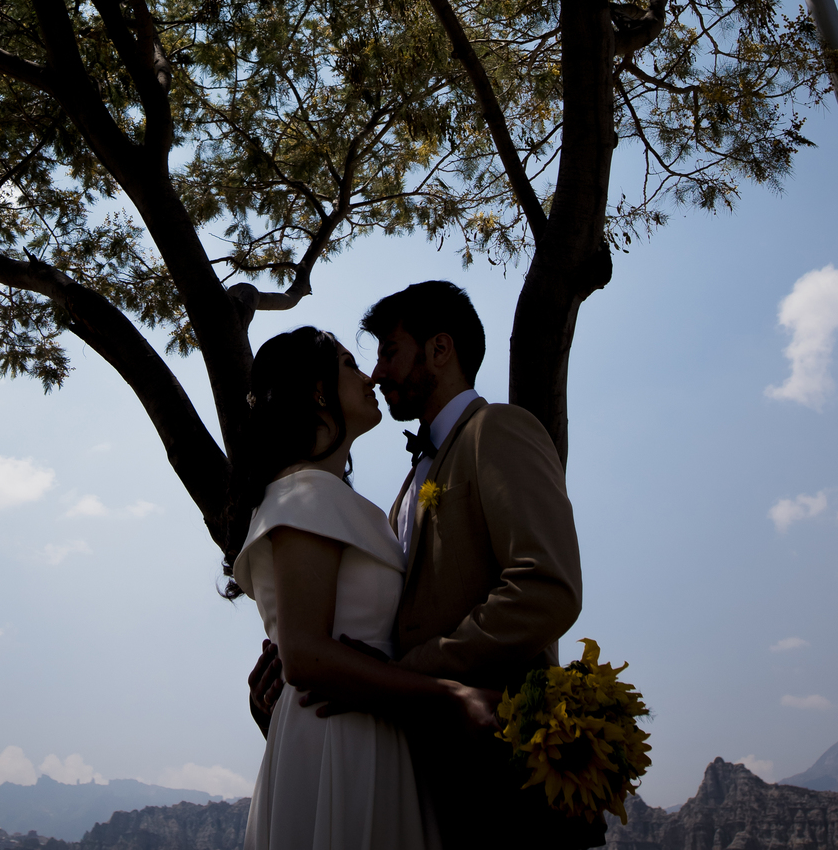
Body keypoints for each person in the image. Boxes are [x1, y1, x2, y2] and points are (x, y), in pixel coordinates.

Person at [248, 283, 598, 850]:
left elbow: (545, 587)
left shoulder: (499, 430)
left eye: (389, 351)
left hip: (499, 767)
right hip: (419, 770)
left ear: (440, 350)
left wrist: (411, 672)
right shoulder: (399, 493)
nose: (378, 373)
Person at [228, 324, 498, 850]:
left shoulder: (337, 501)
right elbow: (304, 657)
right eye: (351, 364)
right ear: (317, 391)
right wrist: (455, 696)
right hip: (341, 740)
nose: (370, 375)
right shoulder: (306, 494)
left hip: (372, 726)